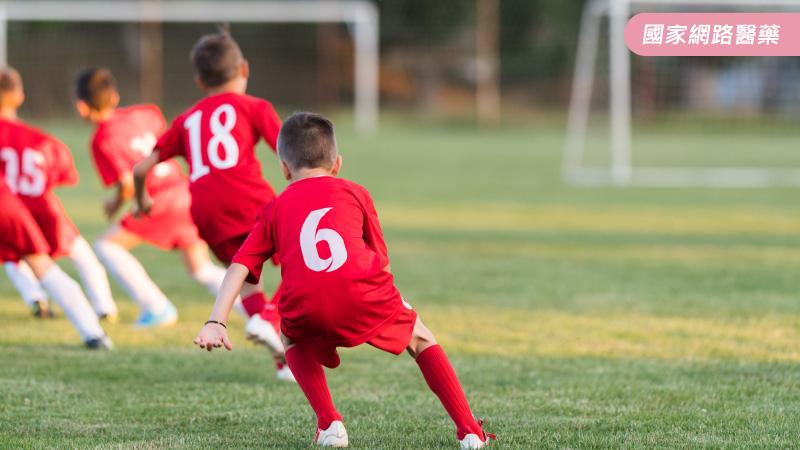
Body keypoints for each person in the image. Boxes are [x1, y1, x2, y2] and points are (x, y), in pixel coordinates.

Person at [193, 113, 495, 449]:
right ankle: (470, 431)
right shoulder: (356, 193)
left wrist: (216, 321)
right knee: (421, 339)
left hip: (305, 308)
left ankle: (330, 425)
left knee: (290, 337)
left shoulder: (275, 208)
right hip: (366, 297)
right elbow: (380, 256)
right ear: (337, 163)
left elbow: (239, 265)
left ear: (284, 168)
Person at [133, 30, 290, 380]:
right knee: (298, 258)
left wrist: (141, 197)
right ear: (244, 68)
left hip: (206, 214)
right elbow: (289, 151)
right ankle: (270, 318)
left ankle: (285, 361)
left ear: (200, 80)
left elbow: (141, 167)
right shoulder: (256, 107)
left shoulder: (187, 118)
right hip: (250, 200)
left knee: (247, 280)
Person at [73, 67, 233, 327]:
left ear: (81, 107)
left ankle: (156, 307)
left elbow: (127, 185)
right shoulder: (146, 112)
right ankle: (253, 306)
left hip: (160, 200)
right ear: (114, 97)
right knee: (200, 269)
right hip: (186, 191)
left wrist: (114, 204)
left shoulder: (102, 139)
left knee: (107, 245)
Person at [0, 66, 118, 322]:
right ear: (19, 96)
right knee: (82, 254)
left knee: (14, 256)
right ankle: (104, 306)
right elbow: (64, 176)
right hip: (43, 209)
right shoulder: (41, 140)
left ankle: (35, 298)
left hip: (8, 211)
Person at [0, 171, 112, 349]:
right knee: (41, 265)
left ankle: (94, 329)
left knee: (38, 264)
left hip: (10, 206)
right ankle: (93, 332)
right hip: (9, 204)